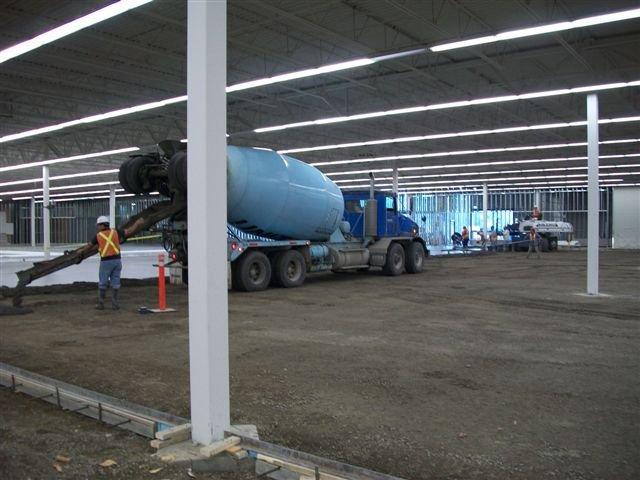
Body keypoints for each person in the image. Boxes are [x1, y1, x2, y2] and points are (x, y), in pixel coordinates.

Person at [87, 216, 143, 310]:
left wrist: (80, 251)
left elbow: (89, 246)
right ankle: (115, 304)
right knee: (115, 283)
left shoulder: (98, 236)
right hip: (117, 262)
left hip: (106, 262)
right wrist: (137, 223)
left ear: (102, 225)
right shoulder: (116, 232)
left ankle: (101, 304)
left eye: (98, 225)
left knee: (103, 283)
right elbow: (129, 231)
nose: (97, 227)